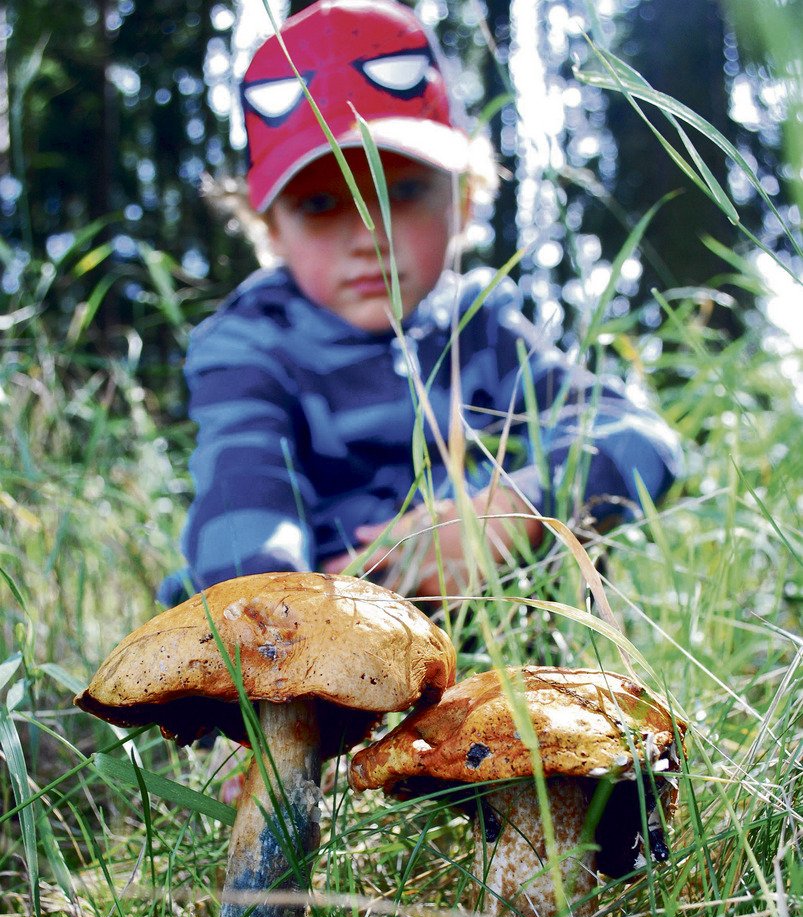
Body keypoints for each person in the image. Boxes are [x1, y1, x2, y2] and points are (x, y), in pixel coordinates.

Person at [160, 0, 682, 608]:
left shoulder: (484, 327)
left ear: (462, 202)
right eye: (320, 205)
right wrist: (290, 608)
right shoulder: (250, 345)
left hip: (491, 628)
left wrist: (508, 512)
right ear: (269, 229)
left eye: (402, 190)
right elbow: (241, 501)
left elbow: (636, 434)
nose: (369, 236)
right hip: (307, 635)